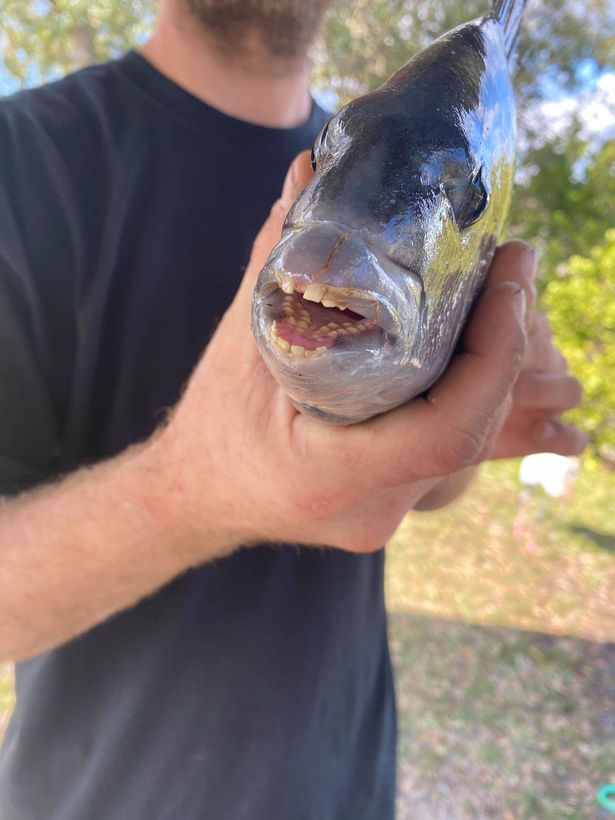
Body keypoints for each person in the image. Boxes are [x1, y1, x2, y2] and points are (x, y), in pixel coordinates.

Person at [0, 1, 587, 817]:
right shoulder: (20, 159)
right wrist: (190, 488)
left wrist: (457, 447)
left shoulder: (390, 157)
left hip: (348, 787)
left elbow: (407, 487)